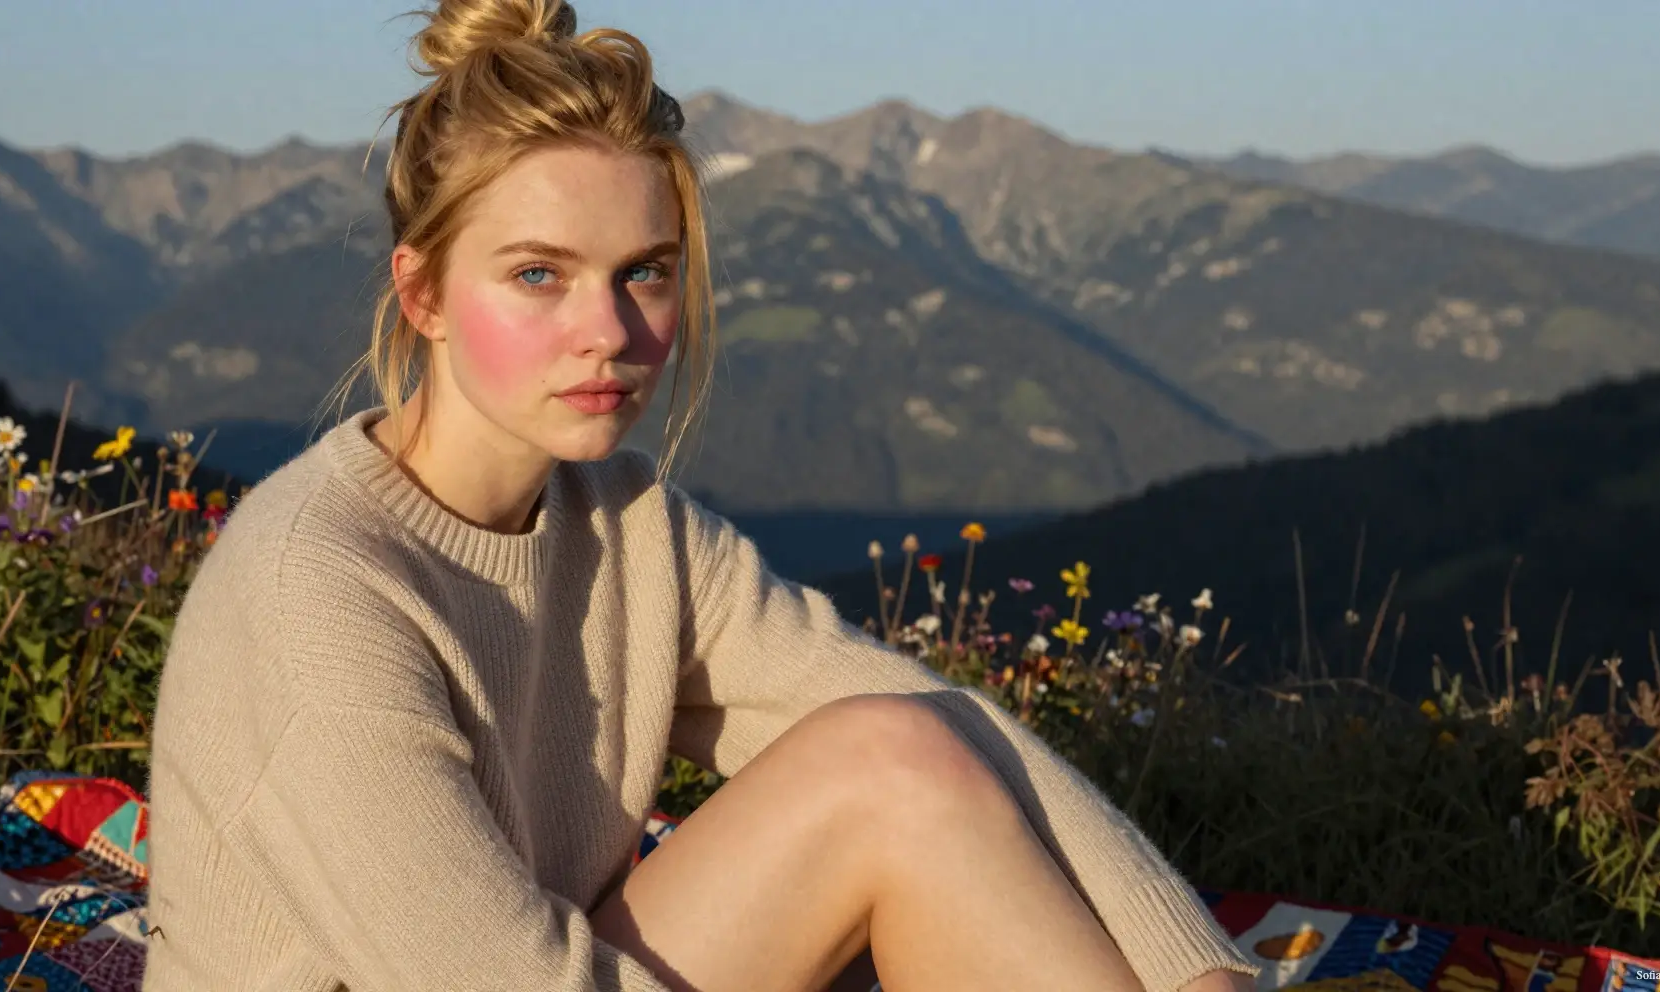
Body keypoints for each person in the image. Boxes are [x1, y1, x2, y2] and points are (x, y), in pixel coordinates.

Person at [143, 1, 1260, 989]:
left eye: (647, 270)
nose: (612, 333)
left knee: (897, 753)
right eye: (540, 273)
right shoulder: (315, 592)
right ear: (424, 291)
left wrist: (1197, 969)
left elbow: (944, 739)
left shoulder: (631, 530)